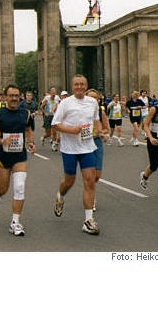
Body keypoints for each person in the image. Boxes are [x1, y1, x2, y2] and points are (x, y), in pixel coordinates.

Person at [51, 74, 102, 235]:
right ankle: (60, 195)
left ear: (86, 86)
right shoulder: (65, 103)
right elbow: (56, 124)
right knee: (69, 181)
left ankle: (88, 220)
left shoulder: (92, 102)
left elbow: (96, 120)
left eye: (82, 84)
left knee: (90, 181)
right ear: (72, 87)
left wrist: (99, 130)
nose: (79, 87)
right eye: (76, 84)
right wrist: (71, 130)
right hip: (69, 149)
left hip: (87, 147)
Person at [0, 84, 36, 236]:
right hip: (2, 156)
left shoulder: (25, 113)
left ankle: (15, 222)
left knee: (19, 186)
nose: (14, 98)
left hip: (19, 156)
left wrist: (31, 142)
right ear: (5, 97)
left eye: (16, 96)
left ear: (19, 97)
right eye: (11, 95)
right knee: (3, 188)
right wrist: (2, 141)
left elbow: (28, 130)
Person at [86, 88, 110, 212]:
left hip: (97, 142)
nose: (93, 100)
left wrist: (101, 133)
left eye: (95, 98)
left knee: (97, 175)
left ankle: (89, 190)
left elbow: (107, 128)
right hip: (85, 143)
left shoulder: (101, 113)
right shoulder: (81, 112)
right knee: (89, 175)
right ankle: (91, 198)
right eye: (90, 97)